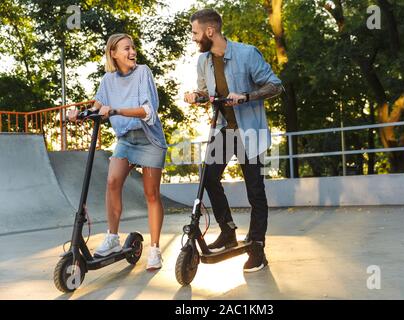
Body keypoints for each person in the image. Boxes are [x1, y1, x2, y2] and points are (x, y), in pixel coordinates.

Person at [184, 9, 283, 272]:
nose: (193, 38)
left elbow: (276, 85)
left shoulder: (247, 54)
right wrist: (196, 96)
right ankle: (228, 231)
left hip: (250, 131)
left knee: (255, 191)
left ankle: (257, 247)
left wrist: (247, 96)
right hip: (224, 131)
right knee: (208, 178)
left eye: (195, 32)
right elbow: (206, 93)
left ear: (209, 31)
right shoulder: (203, 61)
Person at [68, 33, 167, 270]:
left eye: (133, 47)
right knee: (112, 182)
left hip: (149, 138)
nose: (132, 52)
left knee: (151, 194)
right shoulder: (107, 80)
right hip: (125, 140)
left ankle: (154, 249)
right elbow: (98, 105)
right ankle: (112, 237)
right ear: (113, 53)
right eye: (126, 48)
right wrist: (77, 114)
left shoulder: (143, 72)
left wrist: (116, 111)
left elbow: (148, 110)